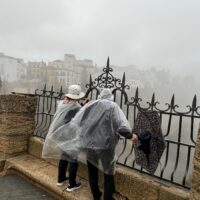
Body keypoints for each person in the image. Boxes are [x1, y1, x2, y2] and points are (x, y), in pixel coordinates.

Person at [68, 88, 138, 200]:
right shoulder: (112, 107)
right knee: (108, 174)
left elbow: (78, 122)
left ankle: (96, 196)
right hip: (106, 146)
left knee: (92, 171)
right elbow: (120, 126)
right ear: (111, 97)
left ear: (100, 95)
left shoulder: (91, 105)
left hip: (89, 144)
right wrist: (131, 136)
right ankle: (107, 198)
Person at [42, 84, 85, 192]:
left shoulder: (63, 104)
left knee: (64, 157)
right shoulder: (76, 107)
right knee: (73, 160)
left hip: (62, 137)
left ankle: (60, 179)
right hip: (72, 138)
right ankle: (72, 184)